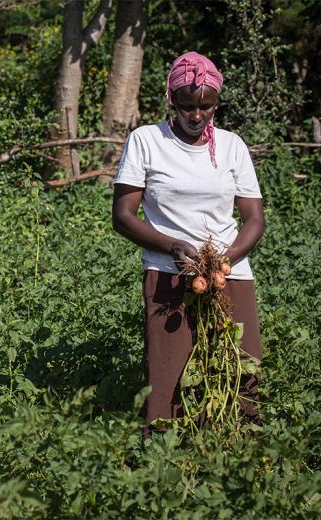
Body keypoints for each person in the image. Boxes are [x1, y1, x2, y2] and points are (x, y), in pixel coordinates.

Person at [111, 51, 265, 429]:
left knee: (243, 368)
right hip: (167, 271)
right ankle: (164, 455)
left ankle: (243, 454)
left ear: (215, 104)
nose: (196, 117)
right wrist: (173, 247)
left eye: (206, 108)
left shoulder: (232, 146)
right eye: (187, 107)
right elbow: (123, 217)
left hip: (229, 272)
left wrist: (223, 260)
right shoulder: (146, 141)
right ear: (170, 100)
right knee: (169, 376)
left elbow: (254, 219)